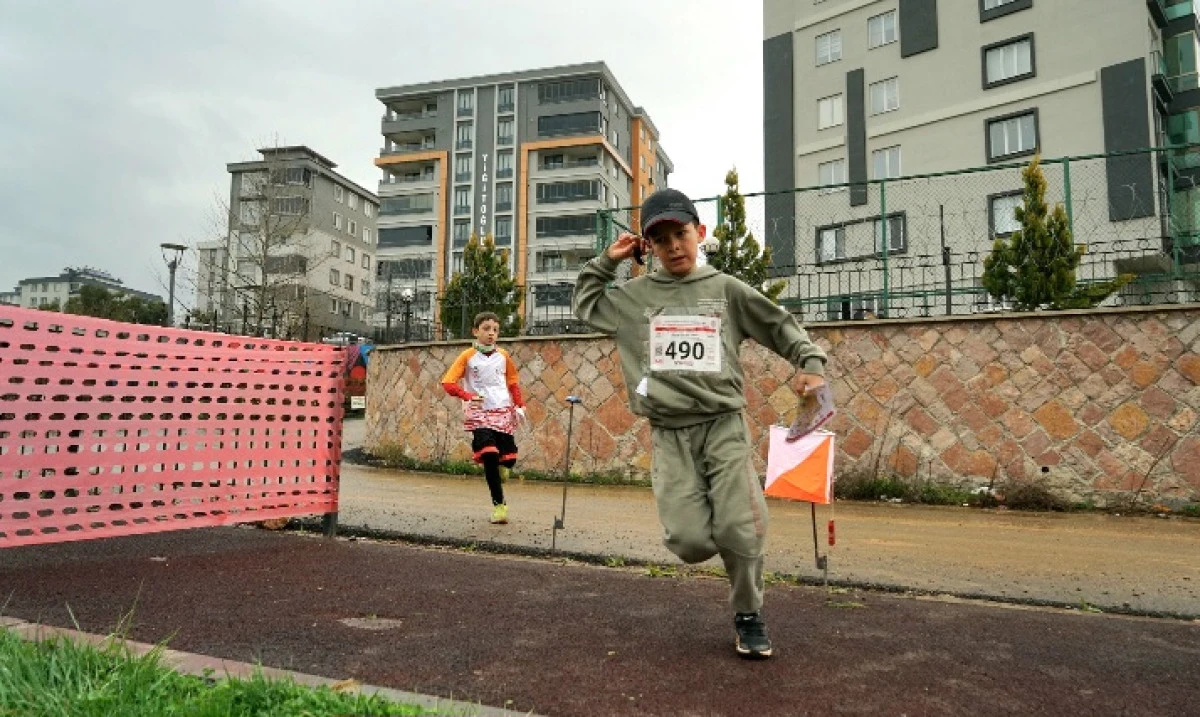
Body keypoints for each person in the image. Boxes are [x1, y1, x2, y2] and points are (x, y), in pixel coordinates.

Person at [572, 188, 828, 659]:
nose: (674, 246)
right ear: (648, 247)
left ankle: (748, 613)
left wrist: (809, 361)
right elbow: (586, 305)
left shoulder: (725, 290)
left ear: (700, 232)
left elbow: (777, 324)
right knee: (689, 542)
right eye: (661, 239)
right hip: (670, 434)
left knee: (741, 529)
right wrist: (608, 261)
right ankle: (724, 535)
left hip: (723, 426)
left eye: (682, 234)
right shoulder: (633, 299)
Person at [440, 312, 526, 524]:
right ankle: (499, 506)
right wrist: (467, 396)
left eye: (495, 330)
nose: (491, 334)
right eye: (486, 329)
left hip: (502, 410)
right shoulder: (467, 356)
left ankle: (503, 469)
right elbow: (448, 382)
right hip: (479, 413)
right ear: (475, 331)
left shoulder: (504, 356)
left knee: (509, 459)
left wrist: (519, 404)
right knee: (489, 454)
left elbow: (513, 382)